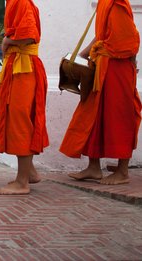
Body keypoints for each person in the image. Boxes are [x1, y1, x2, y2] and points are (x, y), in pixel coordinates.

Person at [60, 0, 140, 185]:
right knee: (93, 117)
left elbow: (129, 42)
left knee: (120, 117)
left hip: (118, 70)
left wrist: (132, 64)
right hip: (103, 67)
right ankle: (94, 167)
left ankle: (122, 171)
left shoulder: (117, 3)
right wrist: (82, 55)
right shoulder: (105, 2)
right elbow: (102, 35)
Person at [0, 0, 49, 195]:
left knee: (20, 120)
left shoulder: (22, 2)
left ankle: (22, 182)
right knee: (18, 119)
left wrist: (9, 41)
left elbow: (29, 36)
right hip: (18, 67)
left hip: (23, 68)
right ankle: (30, 172)